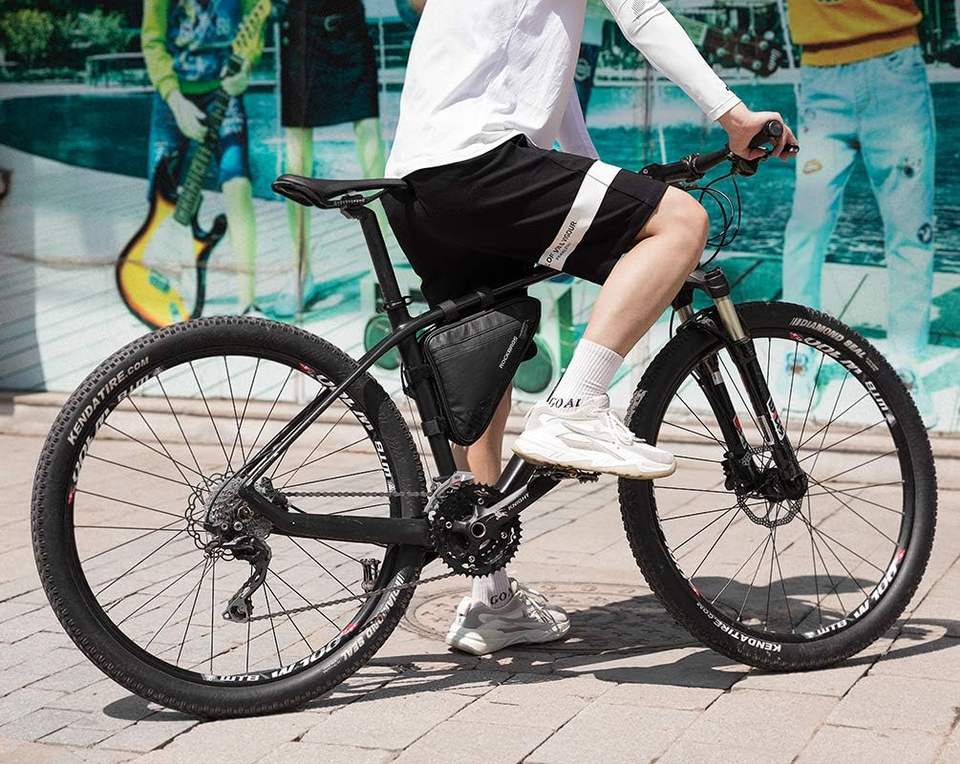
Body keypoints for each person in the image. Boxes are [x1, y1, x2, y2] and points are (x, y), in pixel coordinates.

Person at [381, 0, 796, 654]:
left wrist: (601, 174)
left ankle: (491, 598)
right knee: (682, 223)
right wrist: (733, 114)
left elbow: (546, 78)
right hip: (481, 162)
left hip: (416, 181)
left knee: (485, 368)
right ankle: (575, 405)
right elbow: (642, 12)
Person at [781, 0, 937, 426]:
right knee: (808, 222)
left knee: (910, 226)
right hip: (821, 71)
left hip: (894, 62)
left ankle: (906, 362)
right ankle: (798, 353)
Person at [142, 0, 262, 312]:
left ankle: (248, 302)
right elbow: (152, 40)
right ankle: (166, 287)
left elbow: (255, 19)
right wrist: (175, 100)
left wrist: (246, 67)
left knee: (239, 184)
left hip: (225, 88)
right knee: (161, 196)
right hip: (173, 95)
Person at [275, 0, 387, 317]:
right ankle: (301, 271)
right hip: (302, 31)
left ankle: (386, 264)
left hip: (349, 26)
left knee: (371, 147)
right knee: (296, 156)